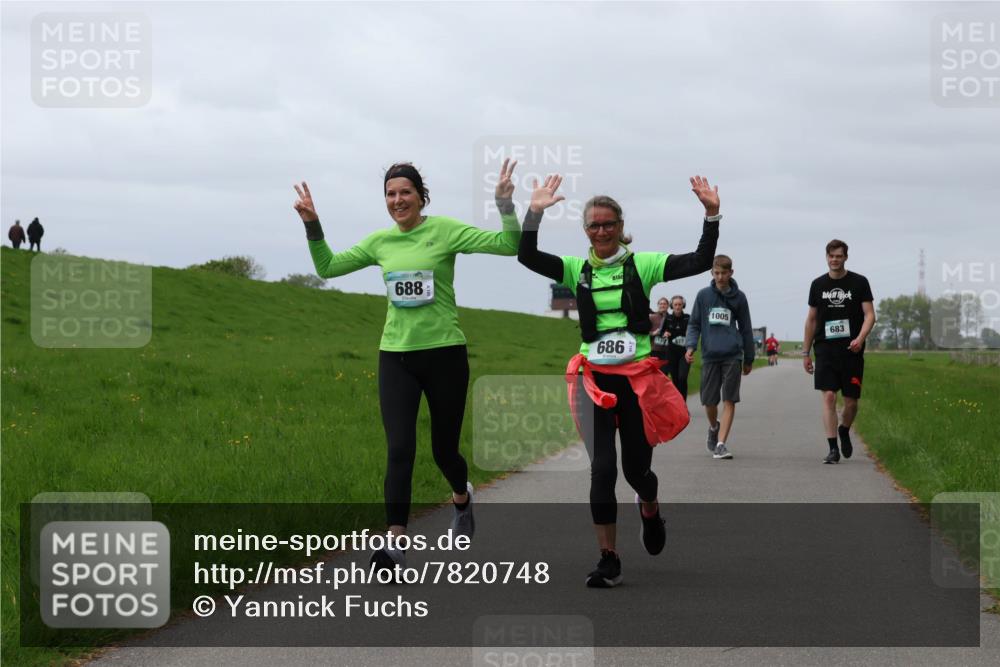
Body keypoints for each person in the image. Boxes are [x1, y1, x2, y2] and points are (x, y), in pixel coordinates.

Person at [292, 160, 522, 572]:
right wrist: (313, 224)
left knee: (444, 450)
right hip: (395, 355)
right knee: (399, 449)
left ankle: (462, 497)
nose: (397, 200)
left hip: (445, 354)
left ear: (421, 196)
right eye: (390, 194)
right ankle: (394, 543)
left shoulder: (445, 231)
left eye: (405, 192)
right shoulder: (381, 242)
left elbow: (508, 246)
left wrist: (505, 206)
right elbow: (327, 267)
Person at [518, 174, 720, 588]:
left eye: (609, 223)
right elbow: (527, 256)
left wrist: (712, 214)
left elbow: (698, 261)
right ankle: (608, 558)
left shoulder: (641, 265)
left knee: (636, 469)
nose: (602, 231)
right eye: (594, 225)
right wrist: (534, 213)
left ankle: (649, 505)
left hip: (636, 382)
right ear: (586, 231)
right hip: (593, 381)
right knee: (602, 470)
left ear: (620, 226)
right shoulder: (576, 269)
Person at [802, 239, 875, 464]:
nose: (835, 260)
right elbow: (812, 320)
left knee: (851, 403)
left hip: (851, 351)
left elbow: (870, 315)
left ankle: (844, 429)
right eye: (831, 256)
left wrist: (860, 338)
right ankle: (833, 448)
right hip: (825, 349)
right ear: (826, 257)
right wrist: (806, 352)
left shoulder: (859, 282)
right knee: (830, 397)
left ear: (845, 257)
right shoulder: (817, 285)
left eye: (839, 256)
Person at [684, 255, 754, 460]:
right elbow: (694, 324)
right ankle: (714, 427)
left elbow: (746, 328)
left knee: (730, 399)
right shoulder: (703, 296)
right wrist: (690, 346)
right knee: (709, 401)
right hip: (710, 355)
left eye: (724, 273)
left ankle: (721, 444)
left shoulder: (739, 298)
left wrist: (748, 357)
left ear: (731, 273)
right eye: (717, 273)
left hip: (733, 355)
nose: (720, 277)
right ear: (712, 273)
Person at [659, 295, 691, 400]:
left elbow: (695, 331)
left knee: (682, 378)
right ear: (672, 306)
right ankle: (678, 405)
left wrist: (689, 334)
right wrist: (665, 333)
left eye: (680, 305)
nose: (678, 307)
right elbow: (661, 332)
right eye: (675, 305)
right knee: (675, 380)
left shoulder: (688, 318)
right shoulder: (667, 319)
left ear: (683, 305)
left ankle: (683, 404)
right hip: (671, 353)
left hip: (684, 353)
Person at [649, 297, 671, 372]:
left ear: (668, 306)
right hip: (654, 350)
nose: (662, 305)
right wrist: (653, 333)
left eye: (664, 304)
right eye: (661, 304)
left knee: (664, 373)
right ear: (658, 305)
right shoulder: (652, 317)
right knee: (653, 373)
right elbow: (645, 334)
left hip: (667, 351)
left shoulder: (671, 318)